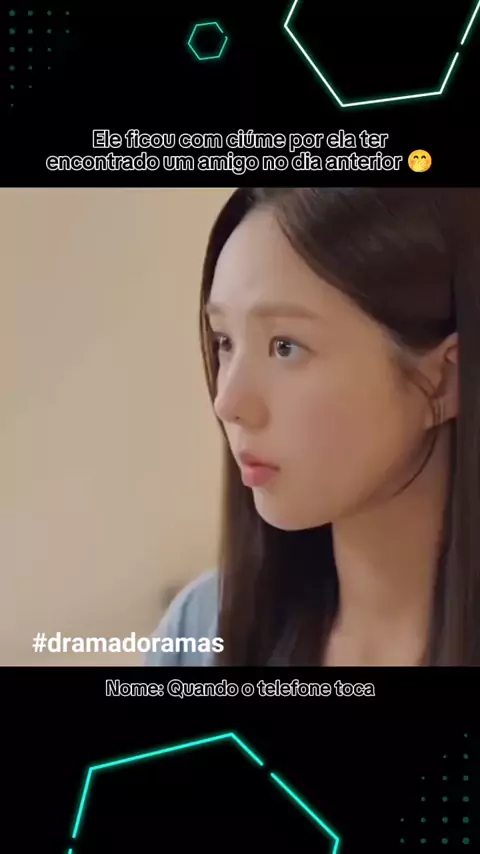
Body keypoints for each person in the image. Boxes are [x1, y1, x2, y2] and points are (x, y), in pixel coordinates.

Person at [145, 187, 480, 666]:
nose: (228, 403)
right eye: (224, 341)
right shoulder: (200, 630)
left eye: (285, 346)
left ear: (445, 378)